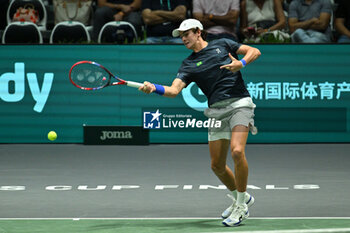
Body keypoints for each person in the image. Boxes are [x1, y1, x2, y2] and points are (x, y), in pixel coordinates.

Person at [139, 18, 261, 227]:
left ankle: (241, 206)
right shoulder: (188, 64)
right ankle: (242, 196)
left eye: (186, 34)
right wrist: (154, 88)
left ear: (198, 32)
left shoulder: (222, 44)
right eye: (181, 36)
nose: (183, 38)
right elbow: (174, 90)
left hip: (240, 103)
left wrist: (239, 64)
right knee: (217, 165)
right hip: (216, 111)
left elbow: (254, 51)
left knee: (237, 151)